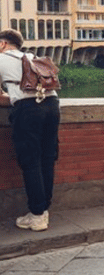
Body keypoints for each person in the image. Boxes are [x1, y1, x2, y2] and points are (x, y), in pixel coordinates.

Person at [0, 29, 61, 232]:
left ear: (2, 44)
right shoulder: (32, 57)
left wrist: (15, 97)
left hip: (29, 111)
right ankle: (43, 210)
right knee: (47, 158)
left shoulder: (1, 59)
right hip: (52, 105)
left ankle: (36, 215)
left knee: (30, 160)